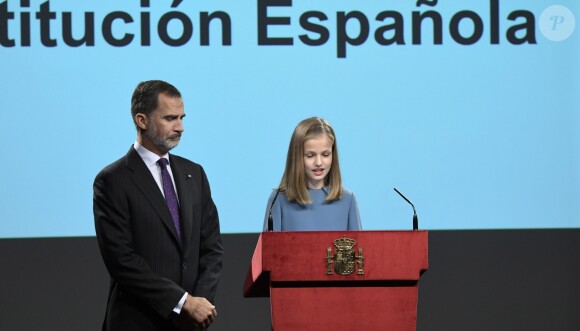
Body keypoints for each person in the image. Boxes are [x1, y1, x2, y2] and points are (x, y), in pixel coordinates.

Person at [93, 80, 223, 331]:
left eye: (182, 118)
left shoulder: (194, 173)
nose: (180, 127)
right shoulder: (112, 180)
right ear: (142, 120)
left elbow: (212, 248)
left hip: (190, 325)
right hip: (136, 322)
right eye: (170, 118)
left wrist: (198, 304)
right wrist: (181, 302)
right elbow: (121, 259)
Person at [263, 117, 362, 231]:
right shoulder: (279, 199)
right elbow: (270, 248)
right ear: (296, 157)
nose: (319, 162)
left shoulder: (348, 200)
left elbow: (359, 247)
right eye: (310, 155)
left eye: (325, 154)